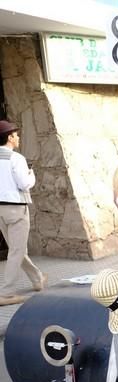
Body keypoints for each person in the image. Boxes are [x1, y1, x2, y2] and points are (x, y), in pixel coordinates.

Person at [0, 120, 45, 306]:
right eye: (16, 135)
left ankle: (37, 279)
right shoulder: (16, 158)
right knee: (17, 251)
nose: (18, 137)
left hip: (0, 209)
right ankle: (6, 293)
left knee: (16, 249)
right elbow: (25, 184)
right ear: (10, 137)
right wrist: (31, 172)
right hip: (16, 208)